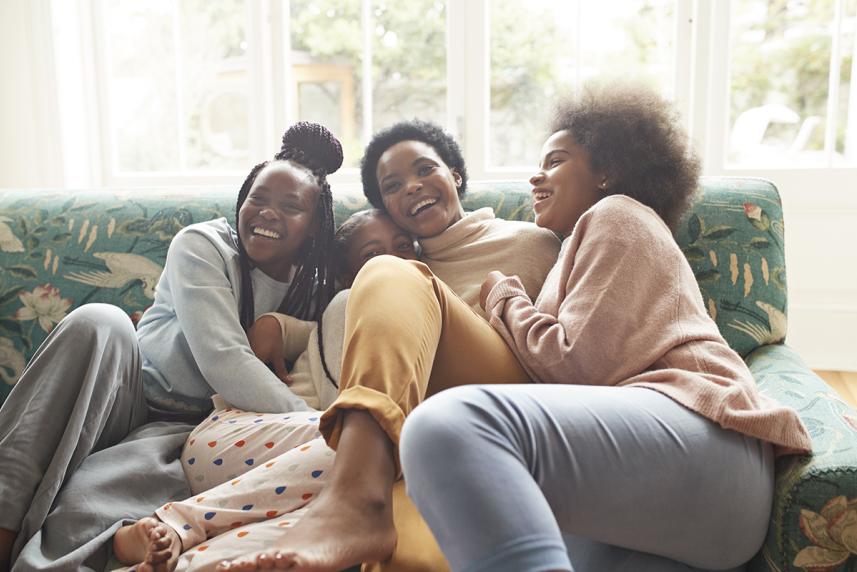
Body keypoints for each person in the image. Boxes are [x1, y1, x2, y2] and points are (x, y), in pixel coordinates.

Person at [398, 82, 813, 572]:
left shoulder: (618, 214)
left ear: (608, 171)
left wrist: (505, 296)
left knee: (446, 427)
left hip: (707, 434)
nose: (536, 176)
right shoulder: (577, 250)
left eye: (555, 161)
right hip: (686, 510)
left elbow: (577, 365)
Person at [216, 120, 561, 571]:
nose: (414, 187)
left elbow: (563, 338)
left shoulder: (533, 243)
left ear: (455, 173)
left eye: (425, 169)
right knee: (408, 549)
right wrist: (279, 326)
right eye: (393, 185)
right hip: (421, 427)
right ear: (388, 208)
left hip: (503, 390)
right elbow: (341, 325)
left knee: (387, 272)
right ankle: (356, 517)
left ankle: (355, 498)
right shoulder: (402, 258)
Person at [0, 121, 343, 572]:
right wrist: (326, 429)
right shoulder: (203, 245)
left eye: (290, 206)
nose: (266, 213)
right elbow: (225, 361)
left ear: (315, 227)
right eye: (257, 198)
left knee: (90, 504)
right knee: (100, 320)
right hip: (124, 391)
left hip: (189, 429)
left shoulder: (317, 288)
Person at [110, 209, 420, 572]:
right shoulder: (348, 305)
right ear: (344, 275)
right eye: (373, 254)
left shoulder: (416, 317)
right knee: (385, 444)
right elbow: (354, 401)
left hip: (300, 467)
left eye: (404, 247)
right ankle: (178, 521)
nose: (394, 259)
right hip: (236, 434)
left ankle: (184, 561)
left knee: (349, 510)